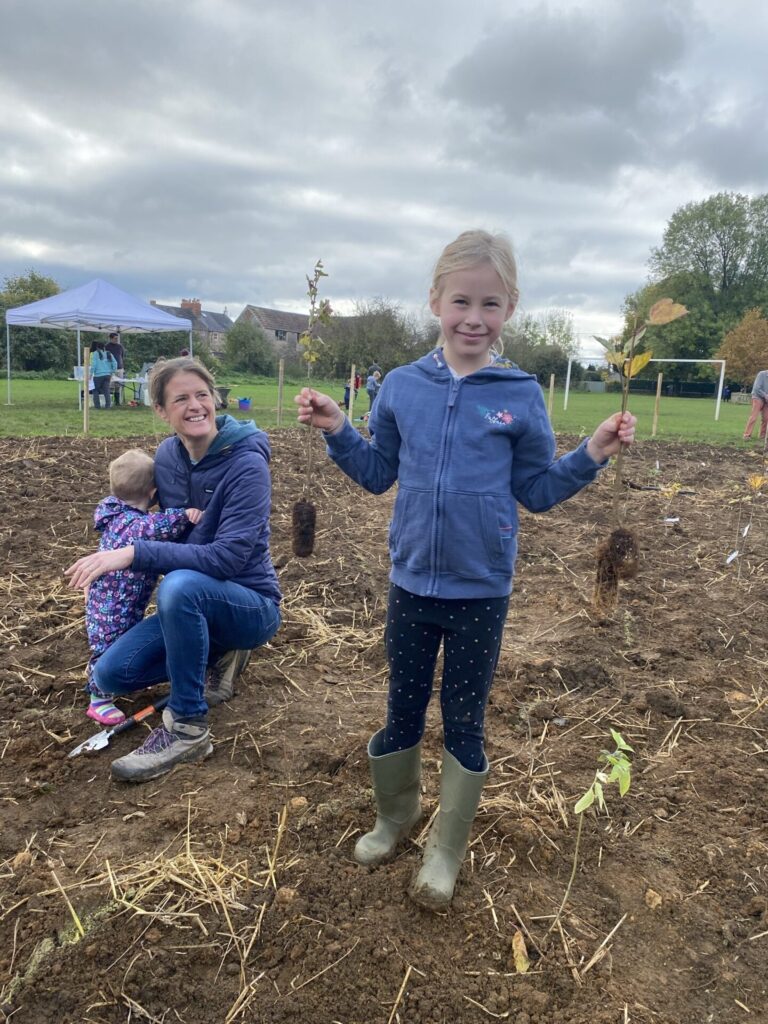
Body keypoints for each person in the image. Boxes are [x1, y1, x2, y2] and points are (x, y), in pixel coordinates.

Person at [295, 229, 636, 910]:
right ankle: (395, 816)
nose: (473, 318)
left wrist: (592, 450)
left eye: (490, 303)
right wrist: (339, 429)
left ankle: (446, 846)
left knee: (464, 718)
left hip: (480, 590)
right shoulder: (401, 387)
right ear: (435, 301)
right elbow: (376, 472)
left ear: (510, 308)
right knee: (402, 709)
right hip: (412, 583)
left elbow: (537, 489)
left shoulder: (521, 394)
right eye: (461, 301)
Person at [66, 356, 282, 783]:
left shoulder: (247, 465)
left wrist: (132, 553)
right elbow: (154, 518)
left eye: (202, 395)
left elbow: (225, 559)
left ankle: (187, 728)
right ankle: (216, 655)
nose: (195, 405)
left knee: (181, 587)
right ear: (162, 412)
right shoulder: (166, 457)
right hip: (190, 605)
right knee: (112, 671)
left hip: (250, 604)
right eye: (180, 398)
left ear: (215, 399)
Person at [84, 449, 203, 726]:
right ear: (153, 492)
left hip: (108, 598)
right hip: (116, 605)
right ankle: (98, 699)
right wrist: (187, 514)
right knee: (110, 647)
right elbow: (162, 526)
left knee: (110, 644)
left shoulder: (114, 515)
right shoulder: (138, 525)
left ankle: (99, 686)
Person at [90, 342, 118, 409]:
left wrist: (91, 373)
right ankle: (108, 406)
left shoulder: (95, 353)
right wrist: (112, 371)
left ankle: (97, 406)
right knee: (106, 391)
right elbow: (115, 363)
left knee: (95, 390)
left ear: (97, 348)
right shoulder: (109, 353)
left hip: (98, 375)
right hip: (107, 375)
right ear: (104, 347)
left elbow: (94, 364)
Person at [743, 369, 768, 440]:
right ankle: (746, 435)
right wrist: (765, 396)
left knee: (766, 418)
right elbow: (757, 388)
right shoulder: (762, 374)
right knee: (754, 416)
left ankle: (762, 436)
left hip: (766, 399)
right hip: (757, 397)